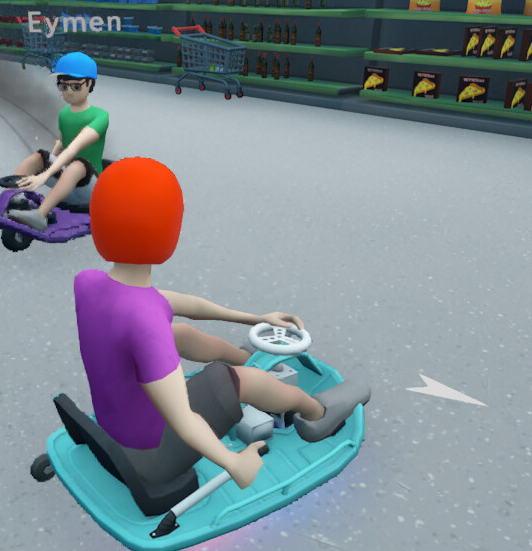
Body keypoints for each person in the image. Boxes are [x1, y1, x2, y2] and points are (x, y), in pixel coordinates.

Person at [74, 157, 371, 490]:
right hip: (153, 453)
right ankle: (316, 414)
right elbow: (182, 418)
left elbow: (178, 304)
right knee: (238, 381)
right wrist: (234, 463)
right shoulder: (146, 322)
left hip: (120, 423)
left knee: (179, 333)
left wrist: (256, 318)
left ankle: (246, 357)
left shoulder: (88, 283)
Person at [1, 52, 107, 231]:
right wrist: (46, 163)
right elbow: (62, 143)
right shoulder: (64, 114)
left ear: (90, 84)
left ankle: (40, 215)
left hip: (90, 188)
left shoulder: (100, 116)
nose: (68, 92)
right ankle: (7, 201)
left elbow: (74, 148)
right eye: (63, 86)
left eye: (75, 86)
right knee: (40, 156)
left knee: (78, 165)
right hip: (67, 183)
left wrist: (44, 176)